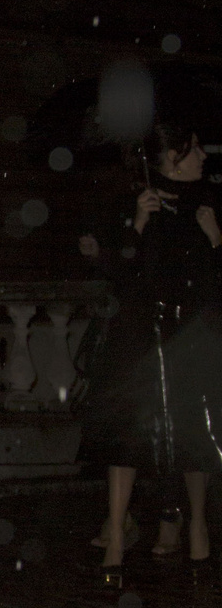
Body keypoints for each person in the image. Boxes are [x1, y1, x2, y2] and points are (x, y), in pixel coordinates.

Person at [83, 108, 222, 581]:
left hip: (190, 338)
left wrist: (216, 240)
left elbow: (210, 286)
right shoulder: (138, 202)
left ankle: (196, 526)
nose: (203, 155)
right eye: (192, 148)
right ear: (170, 158)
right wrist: (138, 225)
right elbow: (119, 277)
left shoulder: (207, 205)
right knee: (129, 436)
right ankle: (116, 537)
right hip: (141, 339)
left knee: (194, 435)